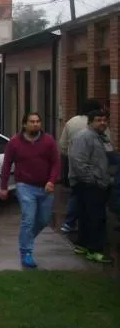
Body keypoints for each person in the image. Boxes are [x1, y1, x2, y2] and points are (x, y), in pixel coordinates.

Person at [0, 112, 60, 268]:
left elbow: (55, 163)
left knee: (44, 219)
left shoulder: (48, 141)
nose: (35, 124)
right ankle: (26, 252)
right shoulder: (14, 143)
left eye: (38, 121)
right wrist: (4, 187)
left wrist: (51, 181)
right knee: (28, 218)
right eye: (32, 122)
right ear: (24, 124)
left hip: (46, 187)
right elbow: (6, 165)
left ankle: (25, 239)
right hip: (25, 186)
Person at [68, 109, 113, 264]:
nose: (102, 123)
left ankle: (83, 245)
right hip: (89, 185)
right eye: (98, 120)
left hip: (97, 183)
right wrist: (93, 180)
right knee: (96, 218)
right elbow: (78, 161)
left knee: (86, 216)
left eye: (104, 120)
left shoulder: (101, 137)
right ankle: (95, 250)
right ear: (90, 122)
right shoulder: (84, 136)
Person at [58, 98, 105, 232]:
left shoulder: (72, 122)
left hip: (73, 165)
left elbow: (62, 145)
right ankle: (87, 226)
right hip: (95, 169)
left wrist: (69, 156)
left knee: (76, 194)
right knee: (91, 199)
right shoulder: (99, 124)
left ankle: (69, 222)